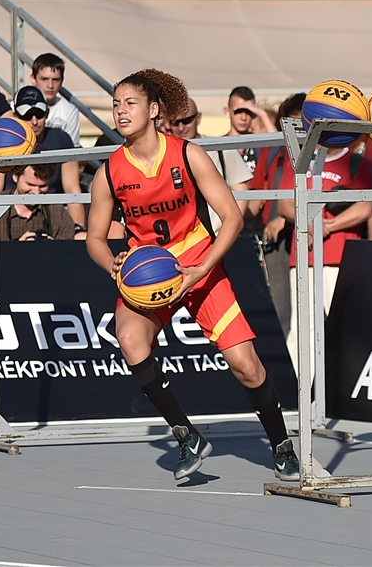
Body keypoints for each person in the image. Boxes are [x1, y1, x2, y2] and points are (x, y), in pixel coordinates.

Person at [86, 70, 299, 482]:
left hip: (199, 266)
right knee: (129, 338)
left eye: (129, 103)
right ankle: (186, 435)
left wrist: (202, 267)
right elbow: (94, 238)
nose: (120, 110)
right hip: (150, 275)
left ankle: (280, 443)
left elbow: (233, 218)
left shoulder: (188, 154)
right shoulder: (109, 172)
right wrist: (110, 262)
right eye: (115, 104)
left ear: (152, 110)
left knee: (247, 367)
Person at [277, 143, 372, 383]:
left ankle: (352, 387)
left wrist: (328, 226)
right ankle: (302, 390)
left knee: (346, 325)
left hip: (342, 257)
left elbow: (365, 208)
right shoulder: (298, 165)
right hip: (304, 258)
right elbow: (284, 205)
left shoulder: (357, 163)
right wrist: (312, 225)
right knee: (302, 329)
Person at [246, 93, 304, 338]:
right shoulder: (272, 151)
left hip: (307, 237)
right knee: (281, 308)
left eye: (302, 123)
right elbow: (258, 195)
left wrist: (286, 216)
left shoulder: (322, 155)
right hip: (276, 243)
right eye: (291, 123)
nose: (297, 129)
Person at [169, 94, 252, 234]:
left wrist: (227, 232)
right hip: (179, 240)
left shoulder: (221, 148)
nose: (181, 127)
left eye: (187, 120)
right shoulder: (163, 154)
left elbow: (241, 191)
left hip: (216, 237)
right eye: (175, 122)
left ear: (198, 118)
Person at [11, 85, 86, 230]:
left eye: (39, 114)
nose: (34, 121)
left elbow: (73, 191)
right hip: (13, 212)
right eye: (27, 115)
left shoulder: (61, 139)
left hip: (52, 212)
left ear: (47, 112)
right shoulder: (5, 143)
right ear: (16, 116)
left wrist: (79, 231)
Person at [0, 162, 79, 242]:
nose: (36, 192)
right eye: (30, 185)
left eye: (42, 186)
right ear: (15, 176)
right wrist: (17, 250)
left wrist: (53, 249)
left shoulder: (59, 214)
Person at [30, 53, 81, 147]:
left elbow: (73, 153)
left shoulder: (70, 111)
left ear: (62, 81)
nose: (50, 85)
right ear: (33, 79)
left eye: (56, 80)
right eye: (44, 79)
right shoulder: (16, 106)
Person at [225, 85, 276, 173]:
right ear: (227, 111)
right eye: (239, 111)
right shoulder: (220, 146)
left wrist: (262, 114)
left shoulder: (258, 144)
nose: (244, 117)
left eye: (248, 111)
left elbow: (277, 145)